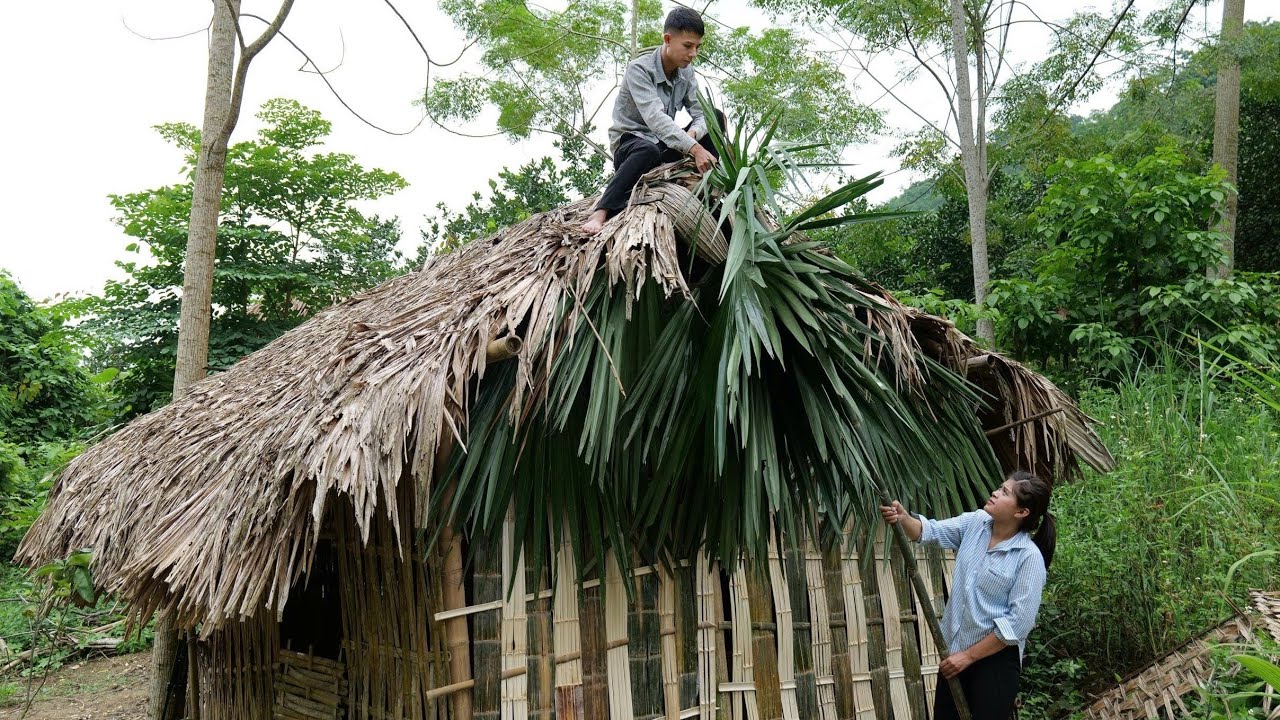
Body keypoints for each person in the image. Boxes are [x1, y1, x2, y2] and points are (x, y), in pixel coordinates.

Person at [879, 471, 1056, 720]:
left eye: (1005, 492)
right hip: (954, 655)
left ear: (1021, 512)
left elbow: (1018, 624)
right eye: (999, 487)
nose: (995, 492)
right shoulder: (976, 523)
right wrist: (903, 517)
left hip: (994, 662)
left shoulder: (1028, 558)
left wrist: (968, 657)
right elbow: (929, 531)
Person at [581, 7, 721, 235]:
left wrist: (692, 135)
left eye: (697, 47)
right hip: (632, 146)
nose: (693, 53)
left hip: (665, 146)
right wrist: (694, 149)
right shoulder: (639, 70)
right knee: (647, 150)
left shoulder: (687, 72)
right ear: (668, 39)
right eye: (687, 46)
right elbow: (656, 119)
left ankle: (712, 182)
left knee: (716, 117)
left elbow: (701, 113)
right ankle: (601, 211)